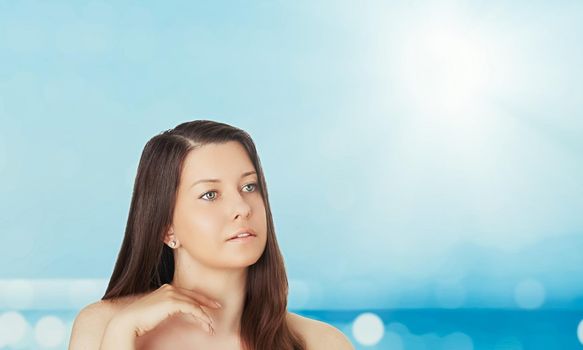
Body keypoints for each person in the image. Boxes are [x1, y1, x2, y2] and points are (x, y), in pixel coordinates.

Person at [68, 120, 354, 350]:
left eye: (249, 187)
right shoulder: (106, 325)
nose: (241, 208)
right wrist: (121, 335)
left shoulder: (320, 343)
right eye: (210, 194)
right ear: (166, 228)